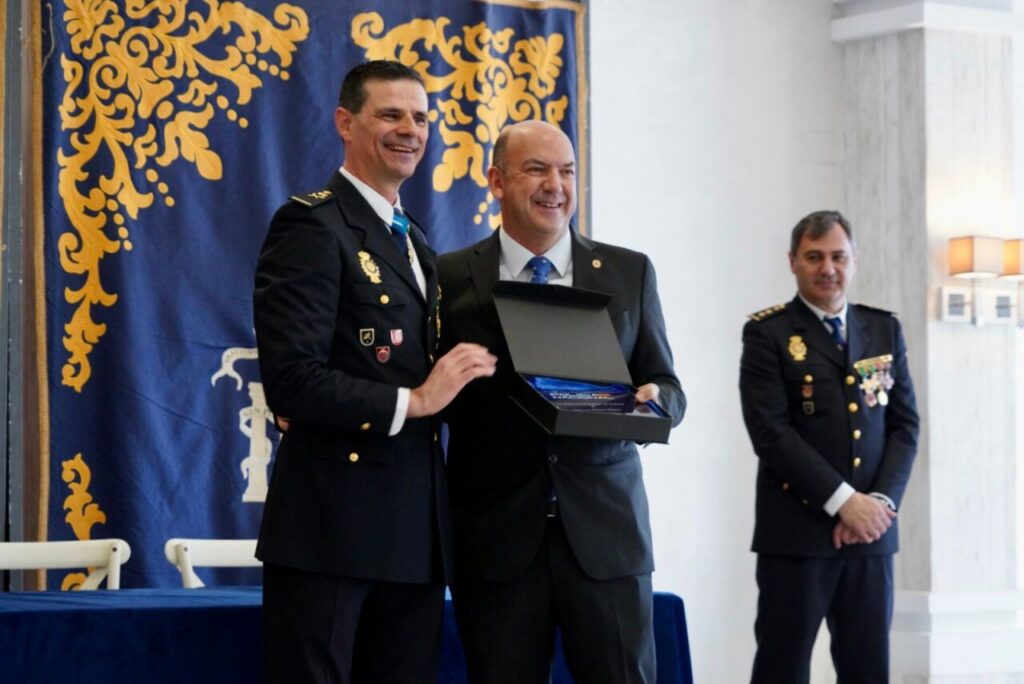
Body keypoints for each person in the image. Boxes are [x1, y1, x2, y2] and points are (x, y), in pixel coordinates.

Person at [252, 60, 496, 683]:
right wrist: (413, 402)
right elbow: (293, 380)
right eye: (390, 114)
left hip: (414, 530)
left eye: (419, 117)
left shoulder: (415, 241)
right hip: (332, 527)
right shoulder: (313, 224)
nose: (409, 130)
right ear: (345, 123)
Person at [437, 120, 686, 684]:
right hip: (496, 540)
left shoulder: (629, 272)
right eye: (537, 169)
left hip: (607, 536)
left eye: (568, 171)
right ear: (497, 181)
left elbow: (667, 382)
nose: (556, 185)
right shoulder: (447, 275)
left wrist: (658, 401)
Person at [739, 210, 920, 683]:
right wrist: (844, 503)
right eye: (814, 257)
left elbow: (904, 426)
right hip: (796, 536)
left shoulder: (882, 330)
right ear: (793, 262)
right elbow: (771, 434)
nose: (828, 268)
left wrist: (877, 505)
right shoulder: (767, 333)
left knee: (867, 671)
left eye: (838, 256)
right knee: (784, 669)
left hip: (871, 539)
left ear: (854, 260)